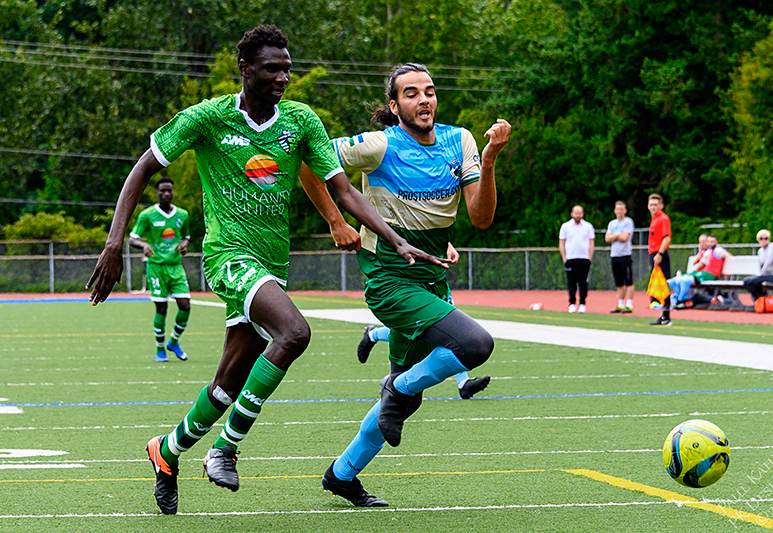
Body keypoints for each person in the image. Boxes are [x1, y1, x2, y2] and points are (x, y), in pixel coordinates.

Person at [85, 25, 447, 515]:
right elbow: (142, 169)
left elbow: (343, 189)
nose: (282, 77)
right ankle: (225, 449)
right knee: (295, 332)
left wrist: (396, 239)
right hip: (228, 257)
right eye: (273, 68)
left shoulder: (300, 122)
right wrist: (113, 245)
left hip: (271, 267)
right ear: (246, 69)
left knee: (226, 386)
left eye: (287, 69)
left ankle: (165, 451)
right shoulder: (207, 117)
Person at [300, 62, 511, 507]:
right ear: (395, 107)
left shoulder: (462, 141)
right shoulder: (378, 145)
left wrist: (489, 160)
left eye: (430, 91)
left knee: (404, 398)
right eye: (411, 93)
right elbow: (306, 159)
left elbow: (481, 217)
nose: (424, 100)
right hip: (390, 281)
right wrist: (336, 221)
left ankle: (342, 474)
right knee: (475, 344)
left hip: (431, 280)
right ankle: (397, 389)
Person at [355, 243, 491, 400]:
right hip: (405, 276)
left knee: (446, 332)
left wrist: (444, 242)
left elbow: (423, 221)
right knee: (432, 329)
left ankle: (462, 383)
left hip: (433, 275)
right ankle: (375, 336)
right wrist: (336, 223)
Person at [128, 177, 191, 362]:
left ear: (173, 192)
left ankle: (174, 342)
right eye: (162, 191)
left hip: (175, 267)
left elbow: (185, 236)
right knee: (161, 308)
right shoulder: (147, 215)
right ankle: (160, 348)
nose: (166, 194)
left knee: (185, 306)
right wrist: (143, 246)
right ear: (157, 193)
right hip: (156, 267)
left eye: (169, 190)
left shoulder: (182, 215)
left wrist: (184, 244)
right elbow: (132, 238)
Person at [651, 234, 733, 326]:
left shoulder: (718, 250)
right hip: (704, 272)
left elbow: (730, 257)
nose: (710, 243)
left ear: (716, 242)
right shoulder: (708, 252)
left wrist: (725, 271)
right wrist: (691, 272)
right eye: (708, 242)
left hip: (711, 274)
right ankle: (682, 298)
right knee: (674, 280)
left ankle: (680, 300)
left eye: (712, 242)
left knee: (685, 280)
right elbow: (699, 264)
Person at [559, 205, 594, 313]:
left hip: (584, 259)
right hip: (571, 258)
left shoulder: (588, 226)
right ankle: (572, 303)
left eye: (580, 213)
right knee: (571, 283)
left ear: (582, 214)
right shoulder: (565, 226)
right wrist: (564, 258)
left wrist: (590, 257)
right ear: (572, 214)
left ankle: (582, 303)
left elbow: (591, 242)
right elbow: (562, 242)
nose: (578, 215)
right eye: (576, 213)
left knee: (583, 283)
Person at [605, 201, 634, 313]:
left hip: (625, 255)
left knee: (628, 281)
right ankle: (620, 304)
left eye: (622, 209)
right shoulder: (612, 223)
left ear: (625, 211)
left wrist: (614, 235)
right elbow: (607, 238)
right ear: (615, 210)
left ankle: (629, 304)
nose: (619, 211)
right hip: (615, 255)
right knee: (619, 282)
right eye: (618, 209)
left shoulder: (628, 222)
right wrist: (617, 235)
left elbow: (625, 237)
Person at [647, 194, 671, 322]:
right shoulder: (654, 219)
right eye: (651, 204)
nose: (653, 207)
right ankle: (663, 314)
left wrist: (660, 254)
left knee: (663, 284)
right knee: (658, 284)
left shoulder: (663, 218)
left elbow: (666, 237)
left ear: (661, 206)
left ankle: (666, 316)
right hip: (654, 253)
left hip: (659, 254)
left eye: (655, 204)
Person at [743, 229, 773, 304]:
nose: (764, 240)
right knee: (747, 281)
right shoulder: (760, 251)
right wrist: (758, 274)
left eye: (766, 238)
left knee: (754, 281)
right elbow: (759, 266)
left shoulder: (772, 247)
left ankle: (760, 299)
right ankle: (758, 299)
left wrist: (759, 275)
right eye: (761, 238)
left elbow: (768, 262)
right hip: (763, 276)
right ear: (758, 240)